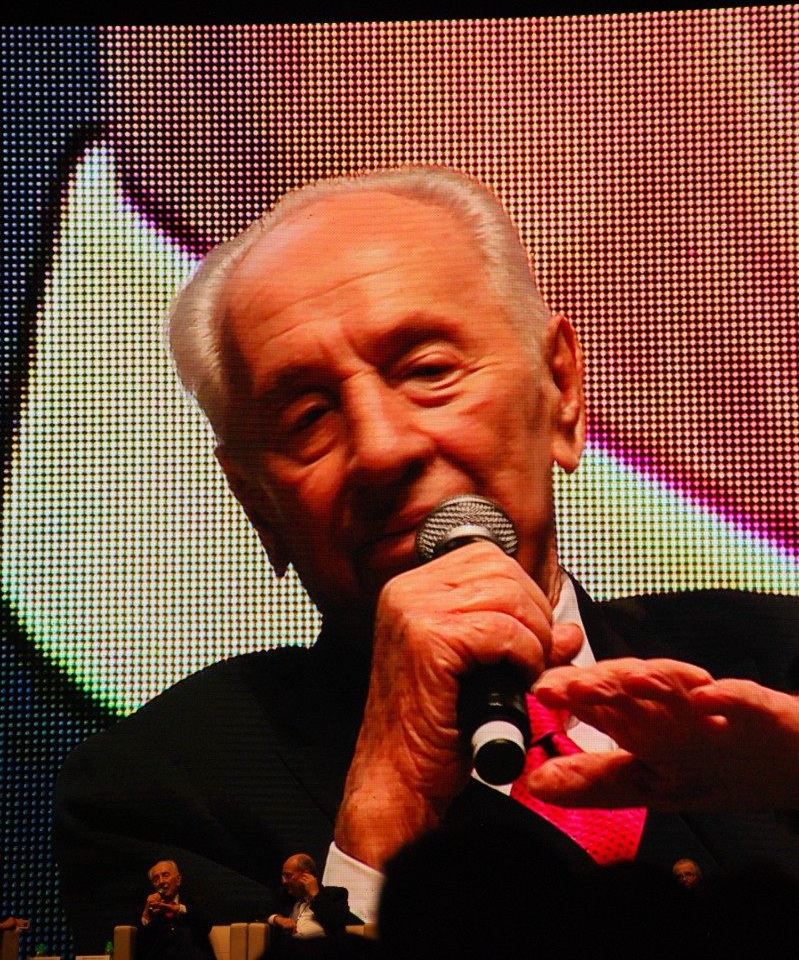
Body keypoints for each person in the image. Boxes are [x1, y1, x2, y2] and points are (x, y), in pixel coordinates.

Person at [53, 167, 799, 946]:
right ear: (257, 508)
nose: (381, 447)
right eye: (308, 415)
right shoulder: (162, 793)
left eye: (428, 370)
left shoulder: (779, 669)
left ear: (560, 389)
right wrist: (385, 811)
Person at [267, 854, 357, 944]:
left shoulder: (335, 894)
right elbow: (261, 914)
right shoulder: (284, 895)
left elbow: (338, 920)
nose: (284, 881)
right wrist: (278, 919)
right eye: (283, 876)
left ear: (306, 875)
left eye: (288, 876)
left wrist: (315, 895)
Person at [135, 860, 214, 960]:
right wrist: (146, 915)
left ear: (178, 879)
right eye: (156, 879)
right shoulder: (145, 910)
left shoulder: (194, 903)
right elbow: (141, 947)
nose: (161, 881)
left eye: (166, 875)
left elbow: (206, 924)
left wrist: (177, 909)